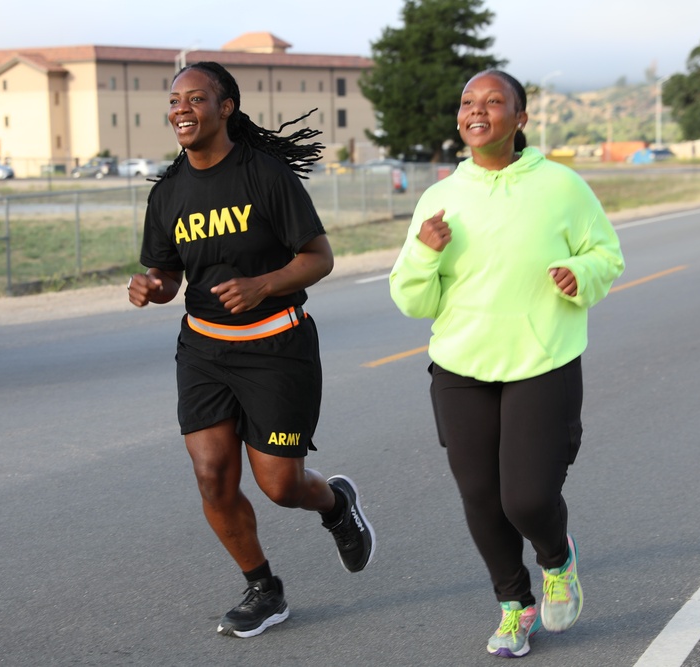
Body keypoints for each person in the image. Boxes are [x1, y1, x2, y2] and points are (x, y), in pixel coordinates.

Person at [127, 61, 375, 639]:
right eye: (174, 100)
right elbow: (164, 275)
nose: (181, 109)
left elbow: (319, 257)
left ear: (225, 108)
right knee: (212, 474)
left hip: (277, 346)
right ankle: (263, 587)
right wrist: (152, 287)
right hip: (205, 349)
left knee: (280, 486)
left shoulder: (263, 175)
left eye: (195, 98)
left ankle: (335, 504)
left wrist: (263, 284)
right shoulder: (167, 194)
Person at [389, 69, 624, 658]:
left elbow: (607, 254)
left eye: (494, 102)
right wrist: (423, 252)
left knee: (527, 499)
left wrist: (583, 275)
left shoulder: (562, 187)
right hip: (460, 367)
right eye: (468, 101)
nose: (477, 111)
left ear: (520, 120)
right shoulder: (440, 197)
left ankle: (556, 559)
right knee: (481, 497)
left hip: (541, 361)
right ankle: (514, 607)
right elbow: (412, 299)